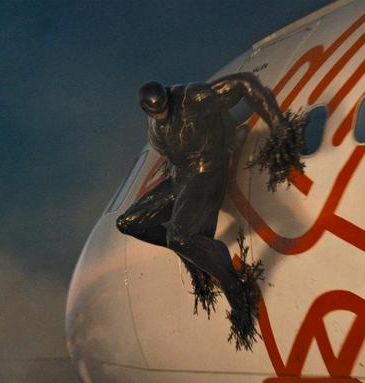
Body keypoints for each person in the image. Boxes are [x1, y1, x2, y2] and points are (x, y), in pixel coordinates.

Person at [116, 73, 305, 350]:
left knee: (180, 236)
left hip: (206, 174)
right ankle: (196, 256)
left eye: (165, 108)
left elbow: (244, 85)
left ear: (168, 98)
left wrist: (279, 128)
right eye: (156, 113)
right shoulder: (155, 124)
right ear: (148, 111)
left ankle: (234, 286)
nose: (163, 115)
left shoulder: (192, 98)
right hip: (181, 179)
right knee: (129, 223)